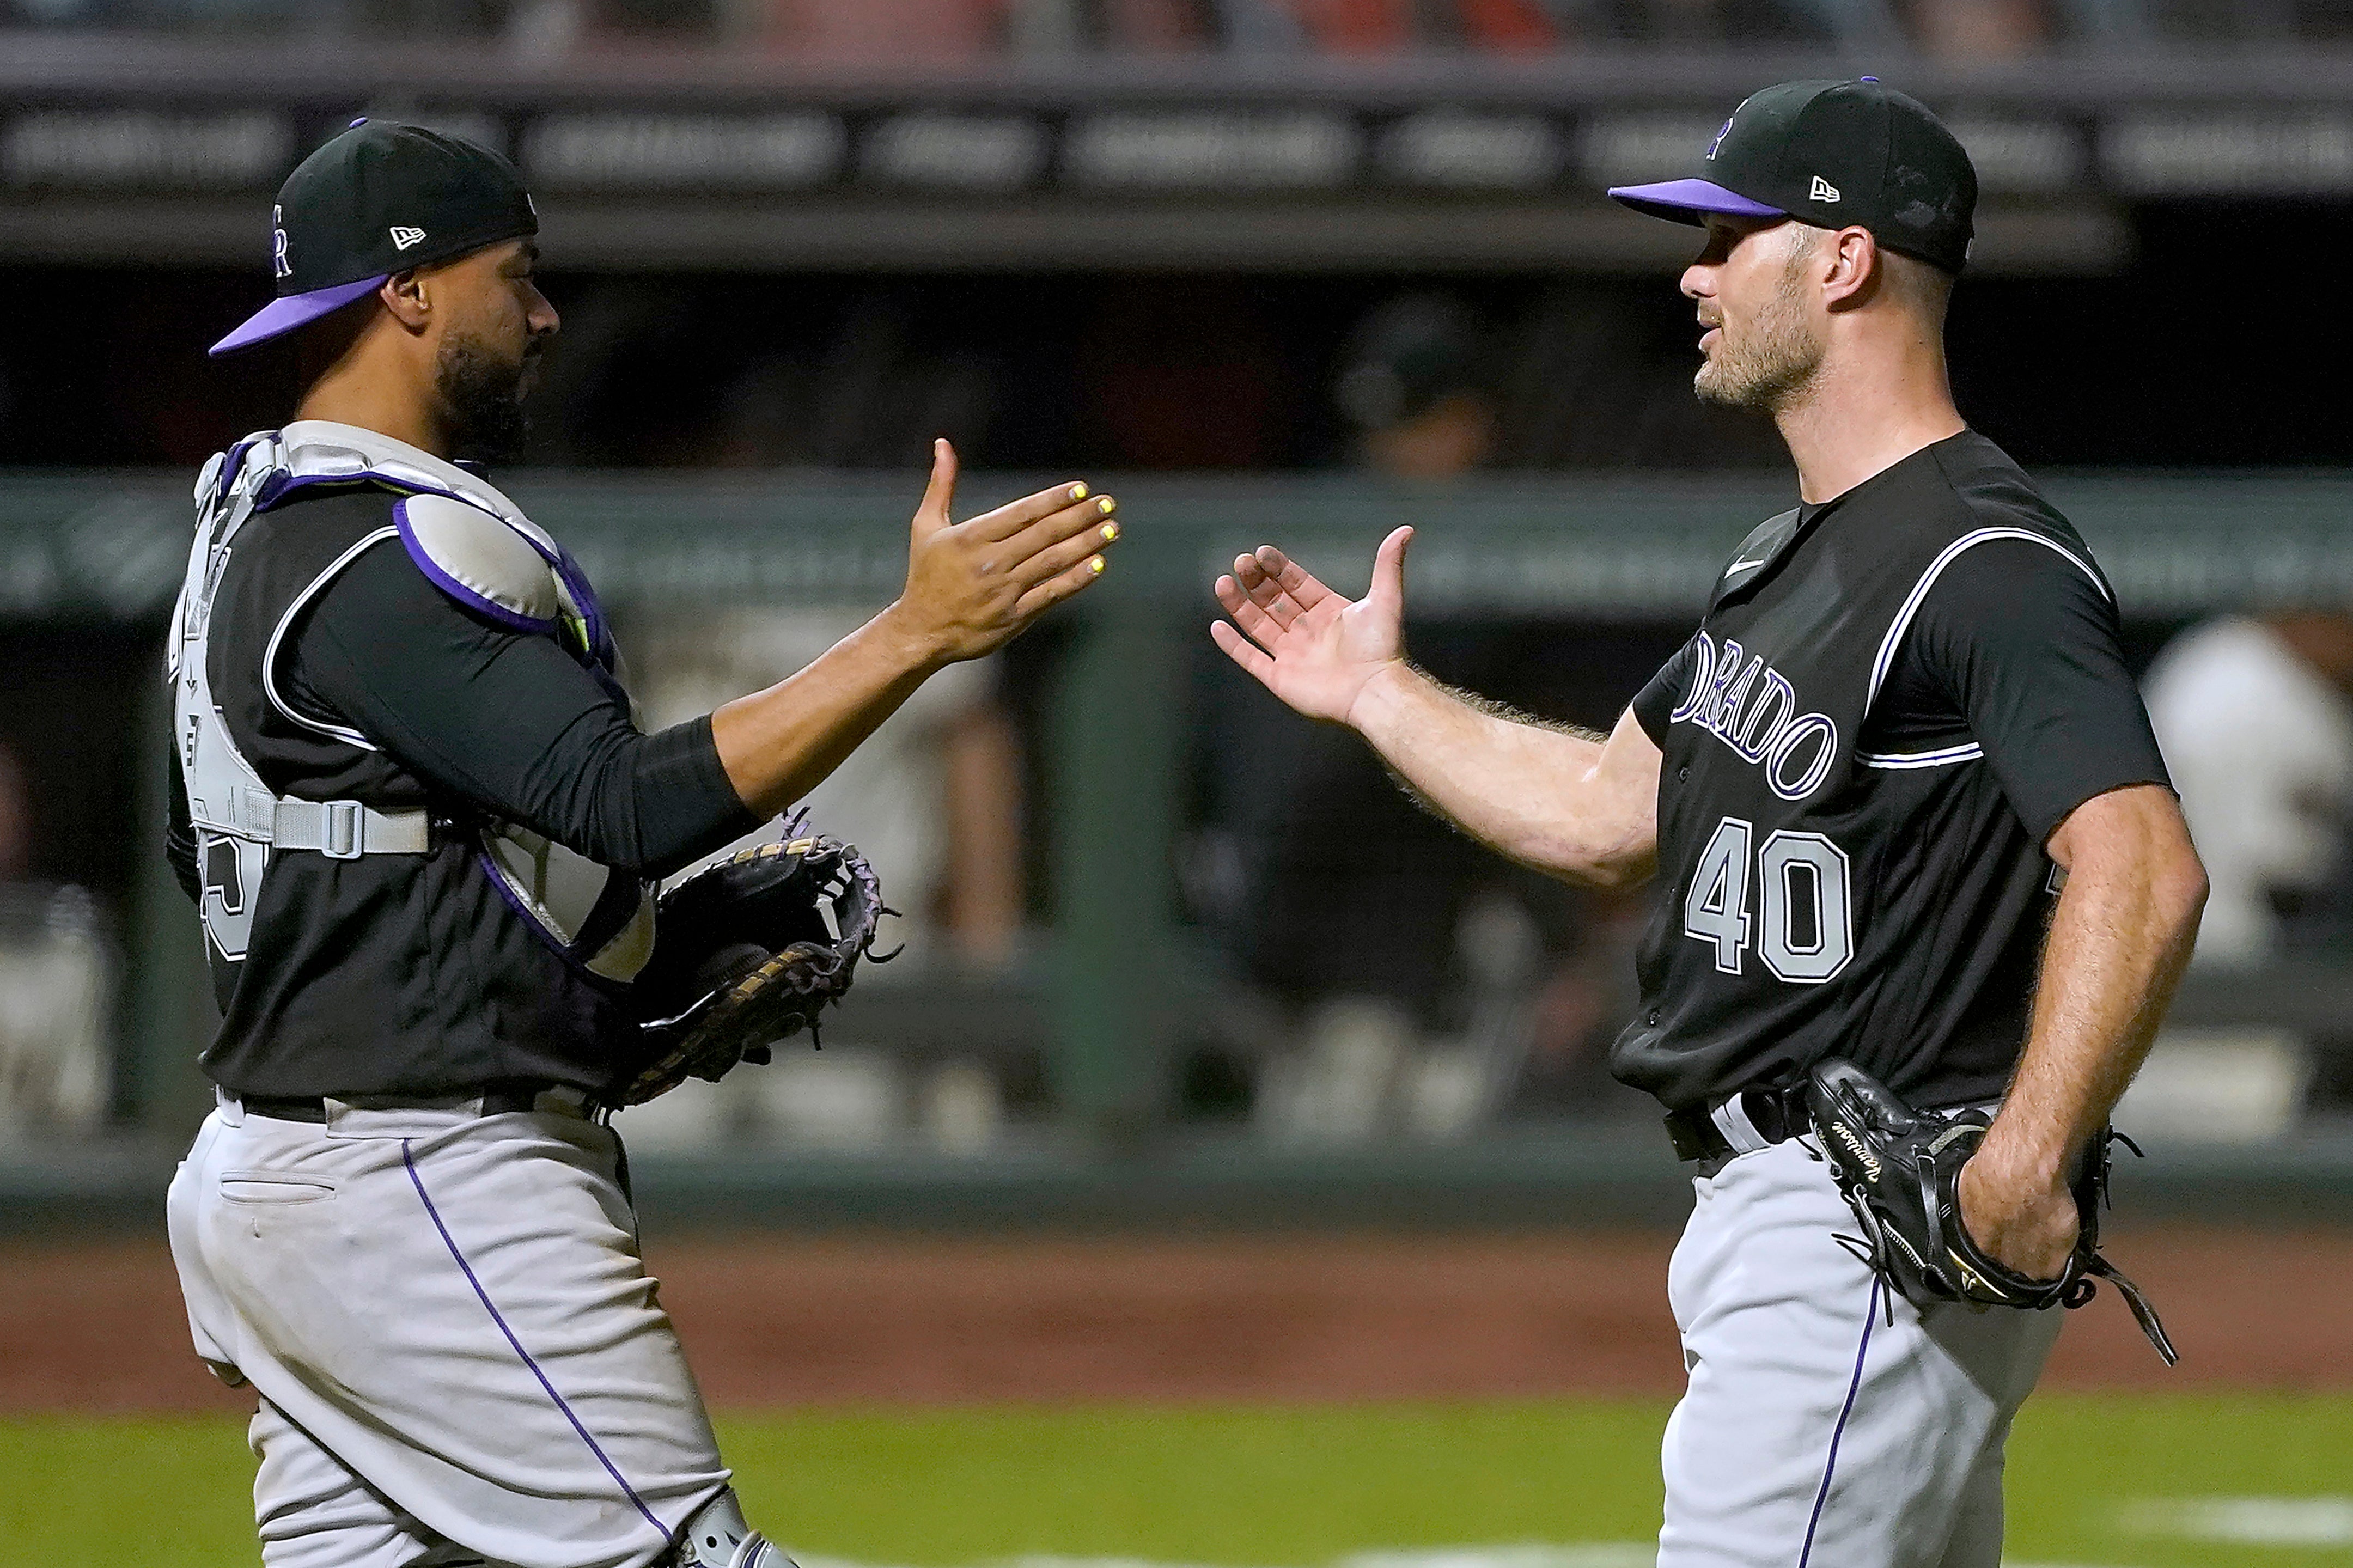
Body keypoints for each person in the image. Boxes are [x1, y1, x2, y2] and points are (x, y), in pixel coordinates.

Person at [1209, 80, 2205, 1566]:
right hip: (1786, 1213)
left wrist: (2031, 1152)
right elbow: (1609, 814)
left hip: (1867, 1217)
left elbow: (2140, 856)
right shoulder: (1791, 557)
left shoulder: (1984, 559)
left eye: (1730, 236)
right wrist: (1378, 695)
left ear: (1842, 261)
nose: (1692, 273)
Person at [163, 120, 1119, 1568]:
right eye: (518, 275)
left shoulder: (252, 526)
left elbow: (232, 861)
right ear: (408, 290)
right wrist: (918, 635)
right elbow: (621, 803)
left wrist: (573, 984)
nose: (545, 316)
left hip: (294, 1172)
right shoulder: (380, 551)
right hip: (423, 1180)